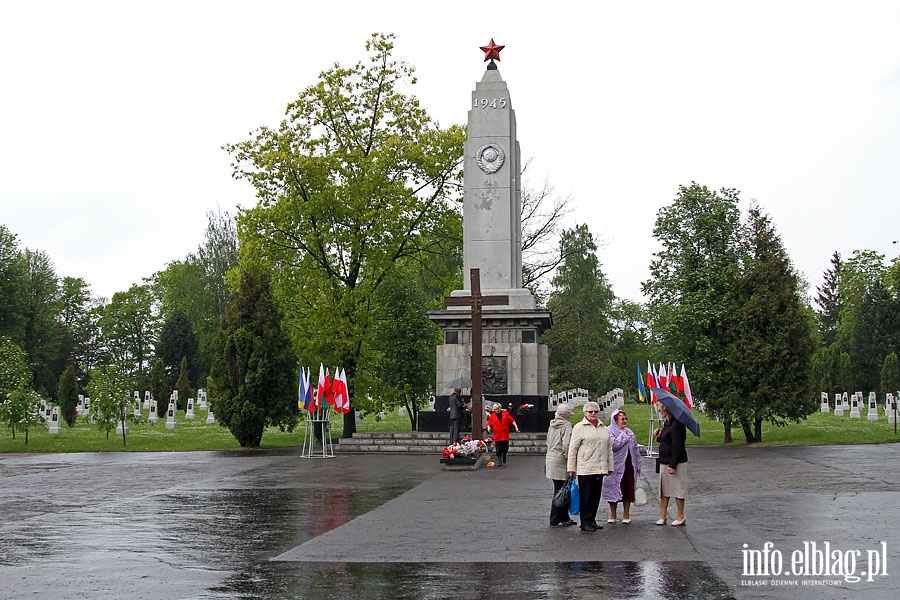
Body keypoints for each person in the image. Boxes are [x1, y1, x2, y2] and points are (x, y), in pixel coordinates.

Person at [567, 401, 614, 532]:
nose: (593, 414)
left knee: (595, 496)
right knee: (586, 496)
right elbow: (573, 449)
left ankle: (592, 519)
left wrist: (610, 466)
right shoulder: (579, 427)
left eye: (595, 411)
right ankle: (585, 521)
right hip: (585, 467)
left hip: (599, 467)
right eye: (590, 412)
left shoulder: (603, 427)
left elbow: (609, 448)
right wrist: (571, 468)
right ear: (585, 413)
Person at [601, 409, 642, 524]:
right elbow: (614, 445)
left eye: (625, 419)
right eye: (622, 419)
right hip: (615, 466)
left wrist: (638, 465)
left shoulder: (630, 432)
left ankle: (626, 513)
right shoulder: (609, 431)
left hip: (629, 465)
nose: (624, 421)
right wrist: (623, 435)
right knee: (612, 489)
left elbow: (635, 449)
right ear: (615, 420)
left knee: (627, 489)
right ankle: (613, 514)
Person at [654, 403, 688, 526]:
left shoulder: (677, 424)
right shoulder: (667, 423)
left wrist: (673, 465)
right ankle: (663, 515)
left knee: (678, 489)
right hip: (664, 460)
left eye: (660, 409)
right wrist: (659, 434)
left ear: (666, 409)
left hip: (676, 462)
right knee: (664, 490)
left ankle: (680, 516)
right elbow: (665, 440)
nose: (659, 411)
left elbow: (678, 445)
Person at [545, 403, 576, 526]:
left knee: (562, 489)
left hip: (551, 458)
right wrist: (571, 461)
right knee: (560, 491)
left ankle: (564, 517)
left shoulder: (552, 425)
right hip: (561, 461)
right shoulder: (567, 427)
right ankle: (555, 518)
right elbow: (567, 446)